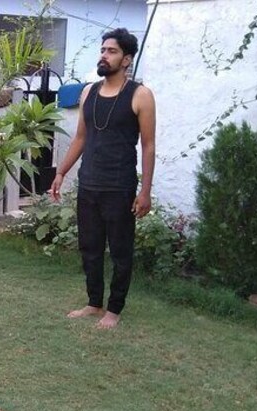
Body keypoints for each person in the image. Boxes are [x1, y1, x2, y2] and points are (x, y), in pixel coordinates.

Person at [50, 27, 156, 329]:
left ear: (126, 59)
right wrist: (60, 172)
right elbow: (81, 137)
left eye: (111, 51)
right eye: (103, 50)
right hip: (90, 183)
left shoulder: (140, 95)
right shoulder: (89, 93)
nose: (104, 55)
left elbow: (148, 145)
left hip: (120, 186)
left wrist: (144, 191)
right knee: (90, 248)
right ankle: (94, 303)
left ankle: (114, 309)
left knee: (121, 251)